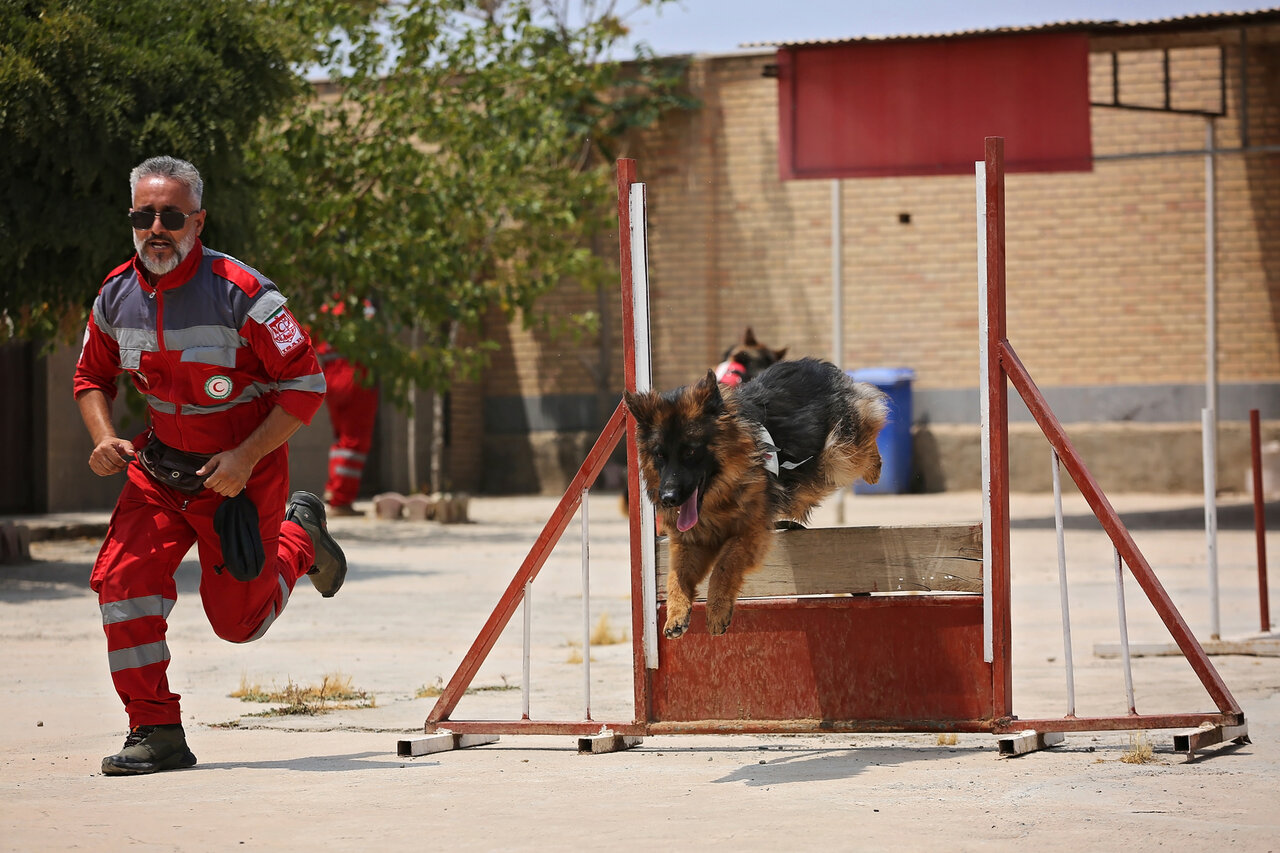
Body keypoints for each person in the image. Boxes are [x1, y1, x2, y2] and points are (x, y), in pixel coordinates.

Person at [73, 155, 348, 776]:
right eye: (144, 216)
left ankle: (299, 535)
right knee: (122, 586)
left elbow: (304, 385)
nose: (157, 228)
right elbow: (91, 376)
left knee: (239, 625)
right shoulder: (116, 295)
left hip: (239, 476)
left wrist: (247, 457)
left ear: (199, 220)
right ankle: (156, 729)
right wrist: (103, 438)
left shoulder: (243, 294)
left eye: (172, 215)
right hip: (158, 472)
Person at [313, 301, 379, 516]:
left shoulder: (326, 309)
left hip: (331, 378)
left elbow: (310, 340)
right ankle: (341, 499)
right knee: (354, 441)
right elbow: (376, 337)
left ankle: (334, 492)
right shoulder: (362, 307)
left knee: (341, 440)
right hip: (356, 377)